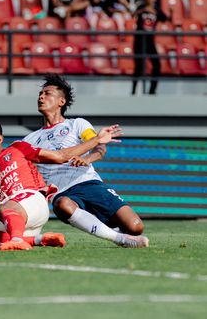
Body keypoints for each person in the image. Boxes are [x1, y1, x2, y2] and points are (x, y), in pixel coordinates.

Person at [0, 116, 122, 251]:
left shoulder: (17, 148)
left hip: (32, 203)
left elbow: (60, 156)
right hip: (19, 219)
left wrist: (96, 140)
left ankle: (16, 241)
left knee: (6, 207)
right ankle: (36, 239)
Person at [23, 74, 149, 248]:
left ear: (61, 101)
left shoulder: (78, 124)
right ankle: (118, 238)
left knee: (136, 227)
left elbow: (100, 148)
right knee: (62, 205)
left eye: (47, 93)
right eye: (40, 94)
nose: (41, 97)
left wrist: (87, 158)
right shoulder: (29, 139)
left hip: (89, 183)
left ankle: (114, 231)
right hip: (62, 192)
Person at [131, 0, 168, 95]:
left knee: (157, 65)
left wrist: (171, 13)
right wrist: (143, 10)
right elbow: (133, 15)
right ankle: (133, 91)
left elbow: (165, 19)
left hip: (150, 41)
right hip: (139, 40)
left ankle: (152, 90)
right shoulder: (141, 6)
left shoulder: (157, 9)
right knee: (138, 66)